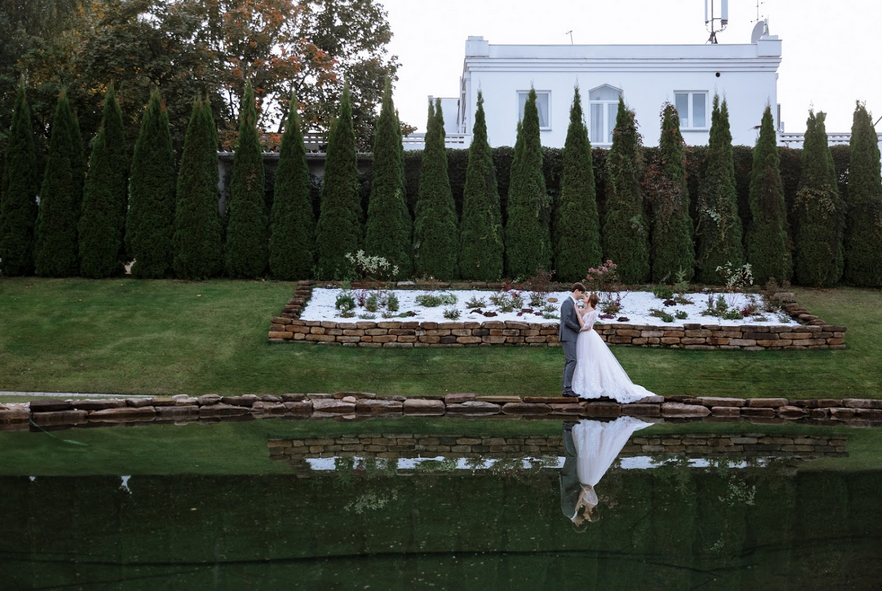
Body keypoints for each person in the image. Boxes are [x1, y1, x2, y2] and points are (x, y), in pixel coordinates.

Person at [561, 417, 653, 530]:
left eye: (585, 520)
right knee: (576, 455)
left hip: (580, 477)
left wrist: (579, 501)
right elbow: (587, 488)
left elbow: (571, 493)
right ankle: (570, 429)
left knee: (576, 454)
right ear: (591, 513)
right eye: (587, 518)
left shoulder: (579, 507)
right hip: (587, 478)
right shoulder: (593, 501)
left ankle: (569, 429)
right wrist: (579, 499)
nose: (585, 518)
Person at [572, 292, 655, 403]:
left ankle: (597, 386)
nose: (584, 297)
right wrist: (578, 313)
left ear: (590, 300)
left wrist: (577, 314)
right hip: (581, 338)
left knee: (593, 360)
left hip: (589, 337)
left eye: (586, 296)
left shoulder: (593, 312)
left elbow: (586, 327)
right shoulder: (582, 310)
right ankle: (582, 386)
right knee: (583, 360)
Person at [559, 283, 586, 397]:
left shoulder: (573, 303)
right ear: (576, 291)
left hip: (571, 336)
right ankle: (567, 388)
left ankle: (566, 388)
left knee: (569, 361)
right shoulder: (567, 303)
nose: (581, 295)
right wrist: (578, 328)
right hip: (567, 336)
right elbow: (566, 320)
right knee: (572, 361)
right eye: (581, 293)